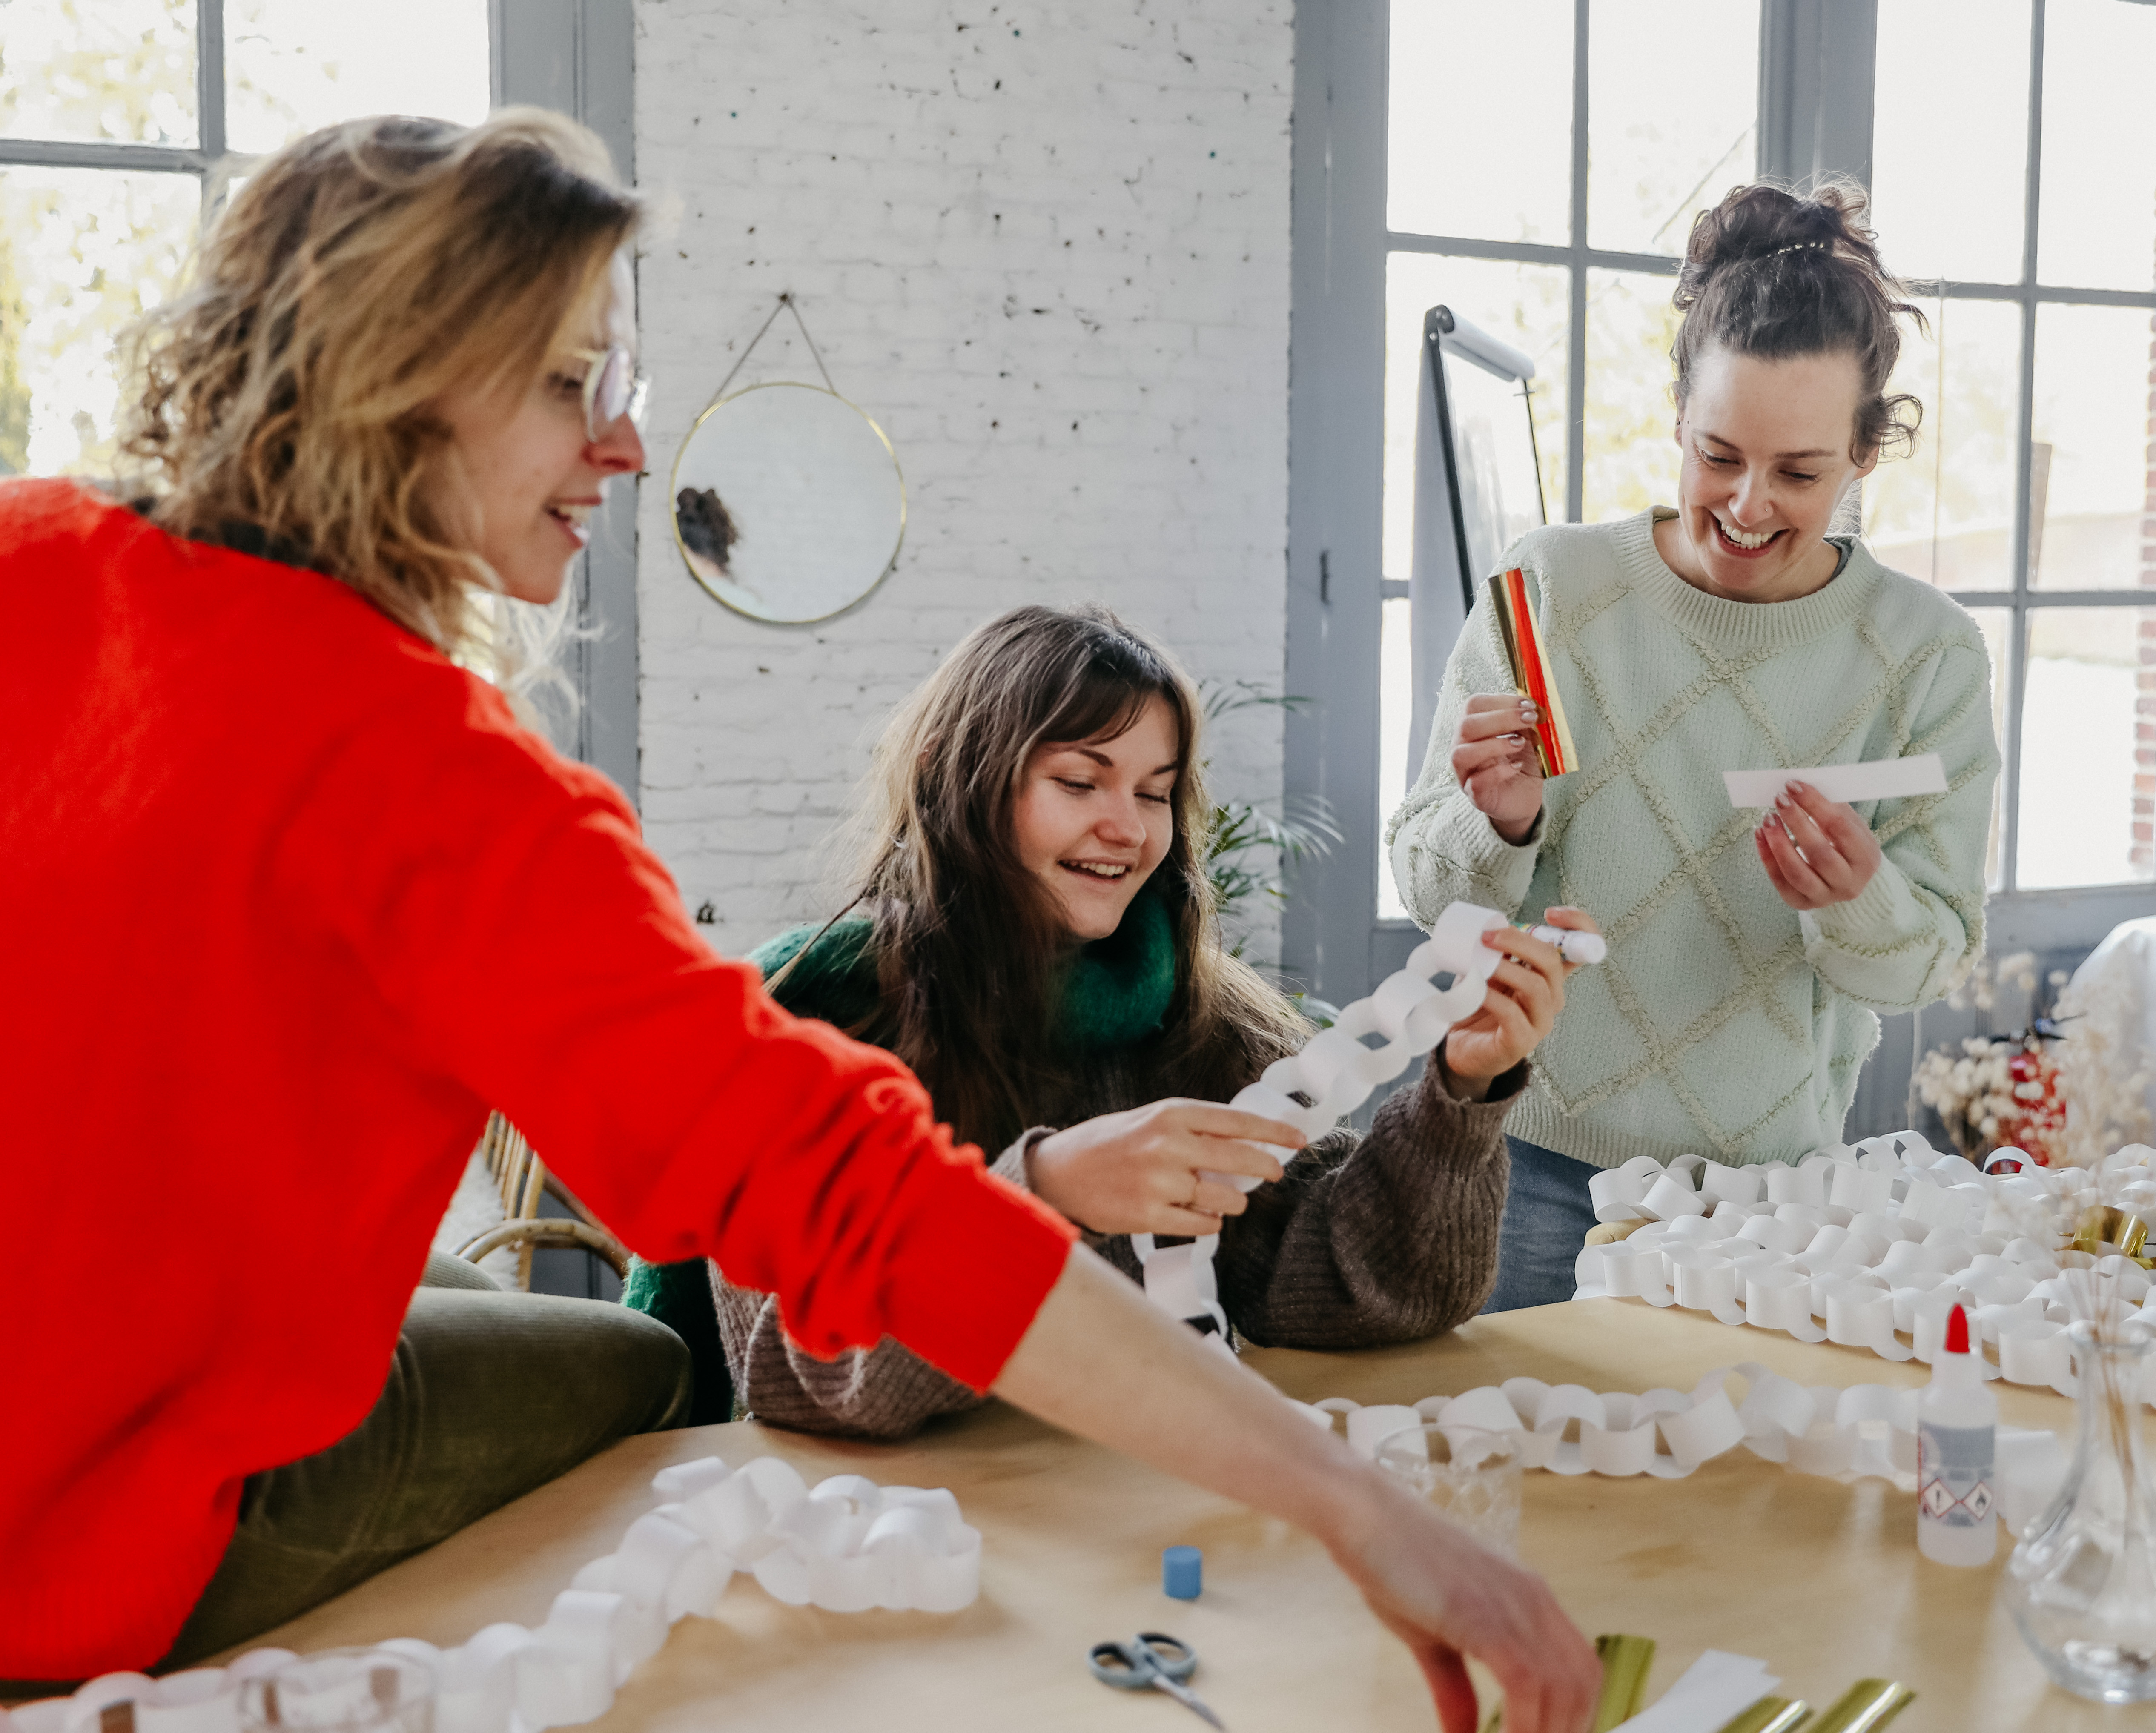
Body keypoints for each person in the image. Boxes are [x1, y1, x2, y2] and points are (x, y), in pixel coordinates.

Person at [0, 110, 1600, 1733]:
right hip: (77, 1561)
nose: (625, 449)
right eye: (572, 385)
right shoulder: (449, 793)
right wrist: (1371, 1521)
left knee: (473, 1317)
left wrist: (1455, 1098)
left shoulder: (27, 550)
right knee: (630, 1373)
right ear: (395, 377)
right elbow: (869, 1212)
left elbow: (1338, 1257)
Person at [642, 604, 1593, 1438]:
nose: (1128, 828)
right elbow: (808, 1377)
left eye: (1152, 790)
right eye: (1078, 781)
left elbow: (1357, 1283)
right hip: (883, 1552)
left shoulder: (1200, 1019)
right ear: (954, 775)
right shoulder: (817, 1019)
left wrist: (1461, 1089)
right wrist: (1047, 1192)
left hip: (1123, 1528)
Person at [1388, 180, 1998, 1314]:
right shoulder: (1551, 591)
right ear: (1676, 415)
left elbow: (1927, 959)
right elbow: (1431, 884)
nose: (1748, 506)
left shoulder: (1926, 653)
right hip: (1528, 1161)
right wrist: (1501, 820)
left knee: (1736, 1491)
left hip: (1769, 1196)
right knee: (1510, 1480)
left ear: (1866, 452)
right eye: (1718, 455)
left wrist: (1857, 895)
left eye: (1799, 473)